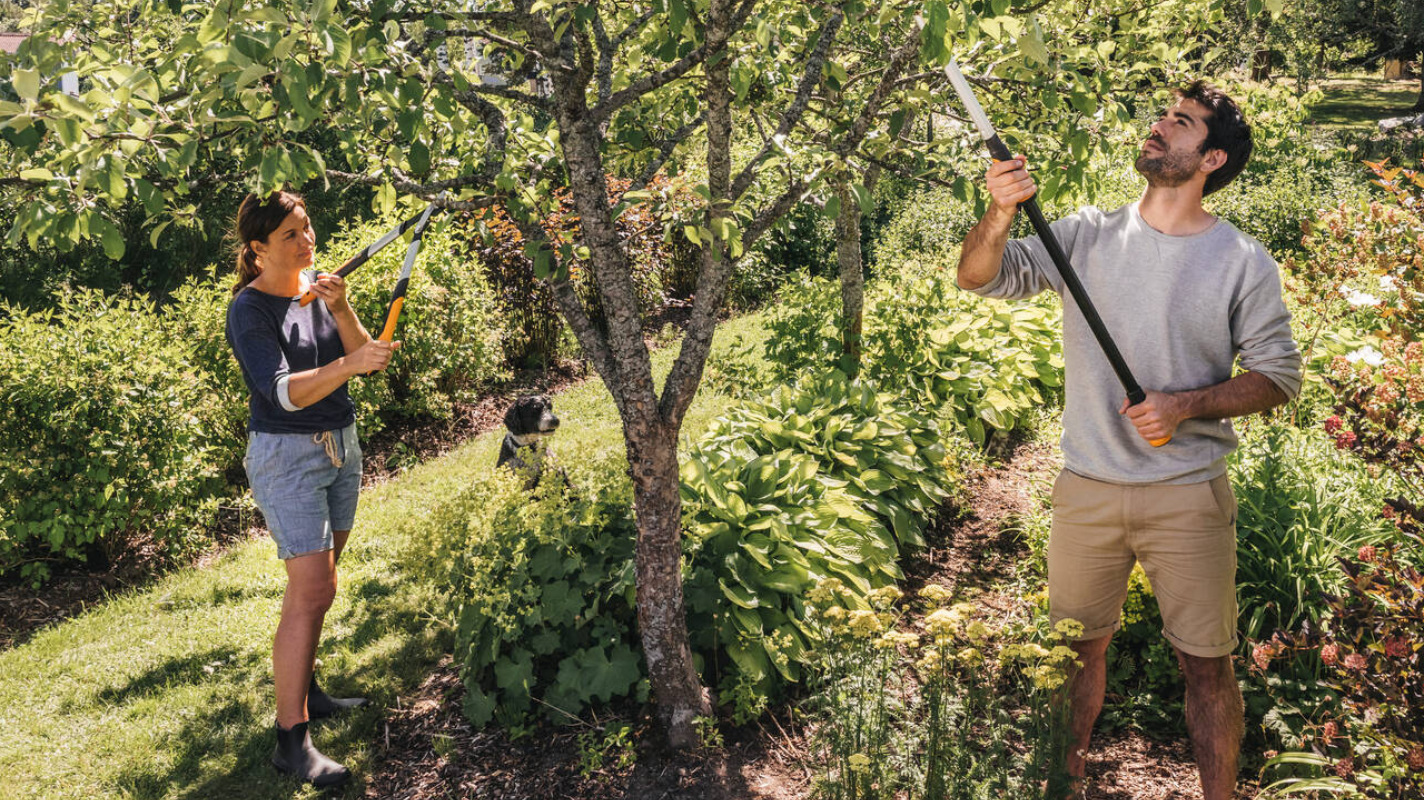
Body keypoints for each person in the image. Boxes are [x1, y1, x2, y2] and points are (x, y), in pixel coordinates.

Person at [956, 82, 1302, 799]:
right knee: (1073, 658)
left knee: (1208, 666)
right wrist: (999, 211)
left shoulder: (1242, 260)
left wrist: (1186, 405)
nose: (1159, 125)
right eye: (1162, 115)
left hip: (1188, 498)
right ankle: (1064, 786)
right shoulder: (1084, 235)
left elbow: (1277, 377)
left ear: (1210, 157)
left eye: (1181, 122)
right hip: (1087, 489)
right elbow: (978, 277)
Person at [226, 190, 401, 787]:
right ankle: (290, 742)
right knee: (311, 590)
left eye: (308, 228)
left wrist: (344, 308)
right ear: (257, 249)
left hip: (340, 445)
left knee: (322, 585)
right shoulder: (250, 310)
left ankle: (306, 691)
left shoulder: (315, 289)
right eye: (290, 237)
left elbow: (364, 356)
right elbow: (281, 391)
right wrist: (350, 367)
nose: (307, 243)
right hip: (288, 456)